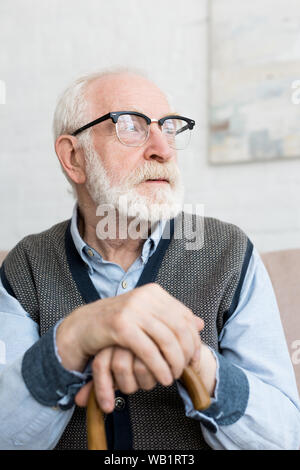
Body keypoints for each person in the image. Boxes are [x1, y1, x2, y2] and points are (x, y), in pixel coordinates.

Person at [0, 68, 299, 450]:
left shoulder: (229, 252)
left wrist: (195, 360)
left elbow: (286, 439)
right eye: (130, 126)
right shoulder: (26, 266)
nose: (163, 148)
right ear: (73, 157)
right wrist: (70, 341)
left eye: (169, 127)